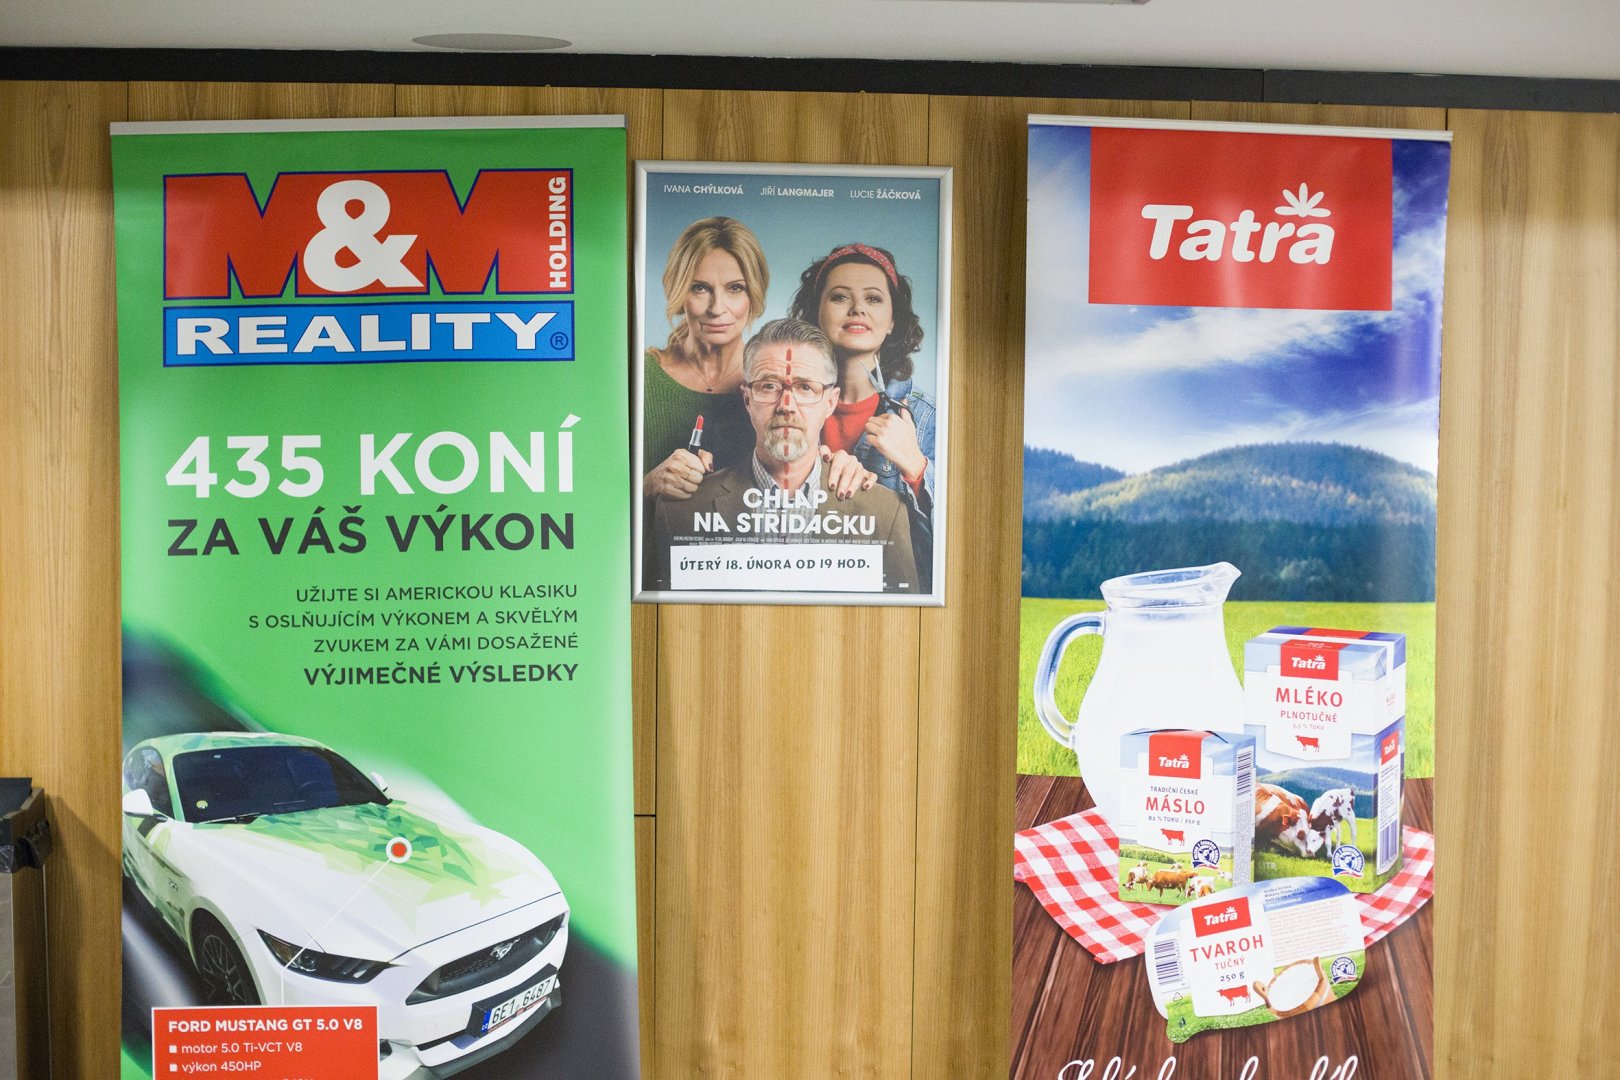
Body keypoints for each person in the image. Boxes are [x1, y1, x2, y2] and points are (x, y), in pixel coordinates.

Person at [651, 319, 918, 595]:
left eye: (805, 388)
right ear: (747, 399)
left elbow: (900, 617)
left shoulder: (885, 513)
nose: (786, 406)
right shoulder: (680, 512)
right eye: (769, 386)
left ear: (830, 402)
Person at [788, 242, 937, 583]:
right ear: (816, 314)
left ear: (892, 320)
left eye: (873, 298)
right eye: (840, 297)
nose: (857, 309)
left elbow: (956, 551)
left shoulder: (927, 417)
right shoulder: (780, 408)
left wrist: (916, 468)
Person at [642, 216, 766, 501]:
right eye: (700, 288)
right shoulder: (640, 377)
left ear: (754, 293)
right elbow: (590, 491)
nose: (717, 308)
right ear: (678, 291)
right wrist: (647, 486)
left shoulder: (775, 386)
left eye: (735, 288)